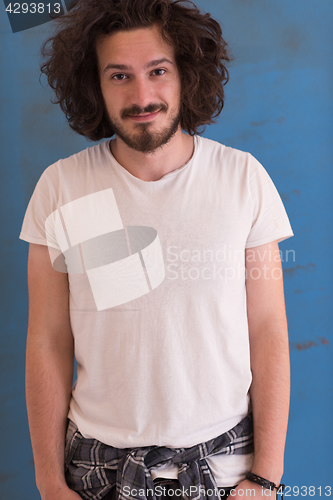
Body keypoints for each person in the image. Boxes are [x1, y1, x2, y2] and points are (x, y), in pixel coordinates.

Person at [19, 1, 293, 499]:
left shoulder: (242, 179)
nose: (142, 95)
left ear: (186, 75)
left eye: (158, 71)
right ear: (94, 85)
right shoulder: (61, 187)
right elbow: (48, 340)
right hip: (95, 474)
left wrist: (265, 478)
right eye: (119, 75)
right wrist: (48, 483)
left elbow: (268, 330)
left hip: (227, 470)